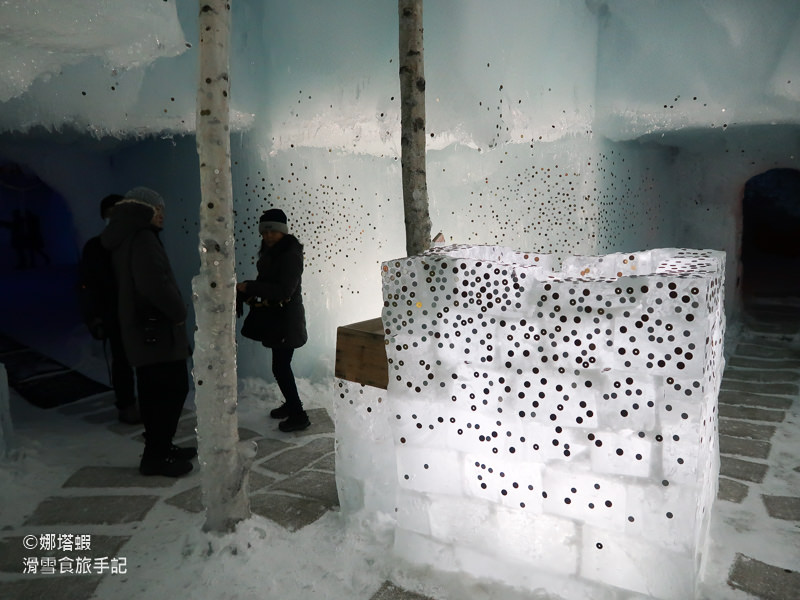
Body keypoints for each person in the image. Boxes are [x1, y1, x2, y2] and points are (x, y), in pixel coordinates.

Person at [101, 187, 195, 477]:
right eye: (158, 210)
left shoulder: (125, 235)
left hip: (142, 331)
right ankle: (156, 456)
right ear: (143, 210)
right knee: (171, 390)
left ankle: (161, 447)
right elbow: (155, 283)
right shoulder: (142, 237)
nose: (162, 215)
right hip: (156, 332)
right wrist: (179, 312)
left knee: (155, 393)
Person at [237, 208, 310, 432]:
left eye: (273, 232)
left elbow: (284, 291)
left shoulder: (290, 255)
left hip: (286, 321)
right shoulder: (275, 253)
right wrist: (250, 288)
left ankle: (298, 414)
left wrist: (250, 286)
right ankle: (291, 406)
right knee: (280, 365)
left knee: (280, 366)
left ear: (283, 232)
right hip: (279, 320)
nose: (268, 236)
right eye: (264, 232)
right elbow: (267, 283)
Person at [78, 194, 140, 424]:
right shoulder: (96, 247)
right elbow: (86, 285)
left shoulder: (135, 242)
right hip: (112, 314)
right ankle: (127, 405)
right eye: (111, 213)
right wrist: (94, 317)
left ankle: (142, 403)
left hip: (137, 312)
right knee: (122, 362)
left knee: (143, 361)